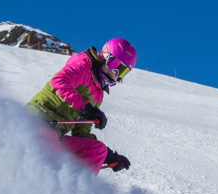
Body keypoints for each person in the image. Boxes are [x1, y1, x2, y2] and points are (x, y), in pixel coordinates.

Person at [26, 38, 137, 174]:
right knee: (49, 138)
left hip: (55, 136)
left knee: (97, 150)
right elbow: (59, 81)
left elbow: (81, 132)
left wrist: (109, 156)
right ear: (105, 56)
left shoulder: (98, 93)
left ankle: (74, 191)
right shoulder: (84, 65)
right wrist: (84, 107)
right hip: (35, 120)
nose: (115, 73)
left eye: (122, 70)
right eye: (115, 64)